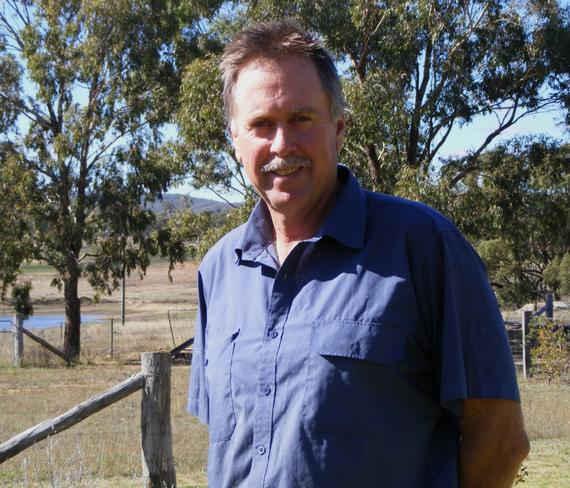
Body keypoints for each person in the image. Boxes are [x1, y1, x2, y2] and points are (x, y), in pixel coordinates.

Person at [187, 19, 529, 488]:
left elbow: (501, 441)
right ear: (236, 140)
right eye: (261, 124)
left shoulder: (423, 246)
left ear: (339, 128)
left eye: (301, 119)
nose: (282, 144)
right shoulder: (219, 270)